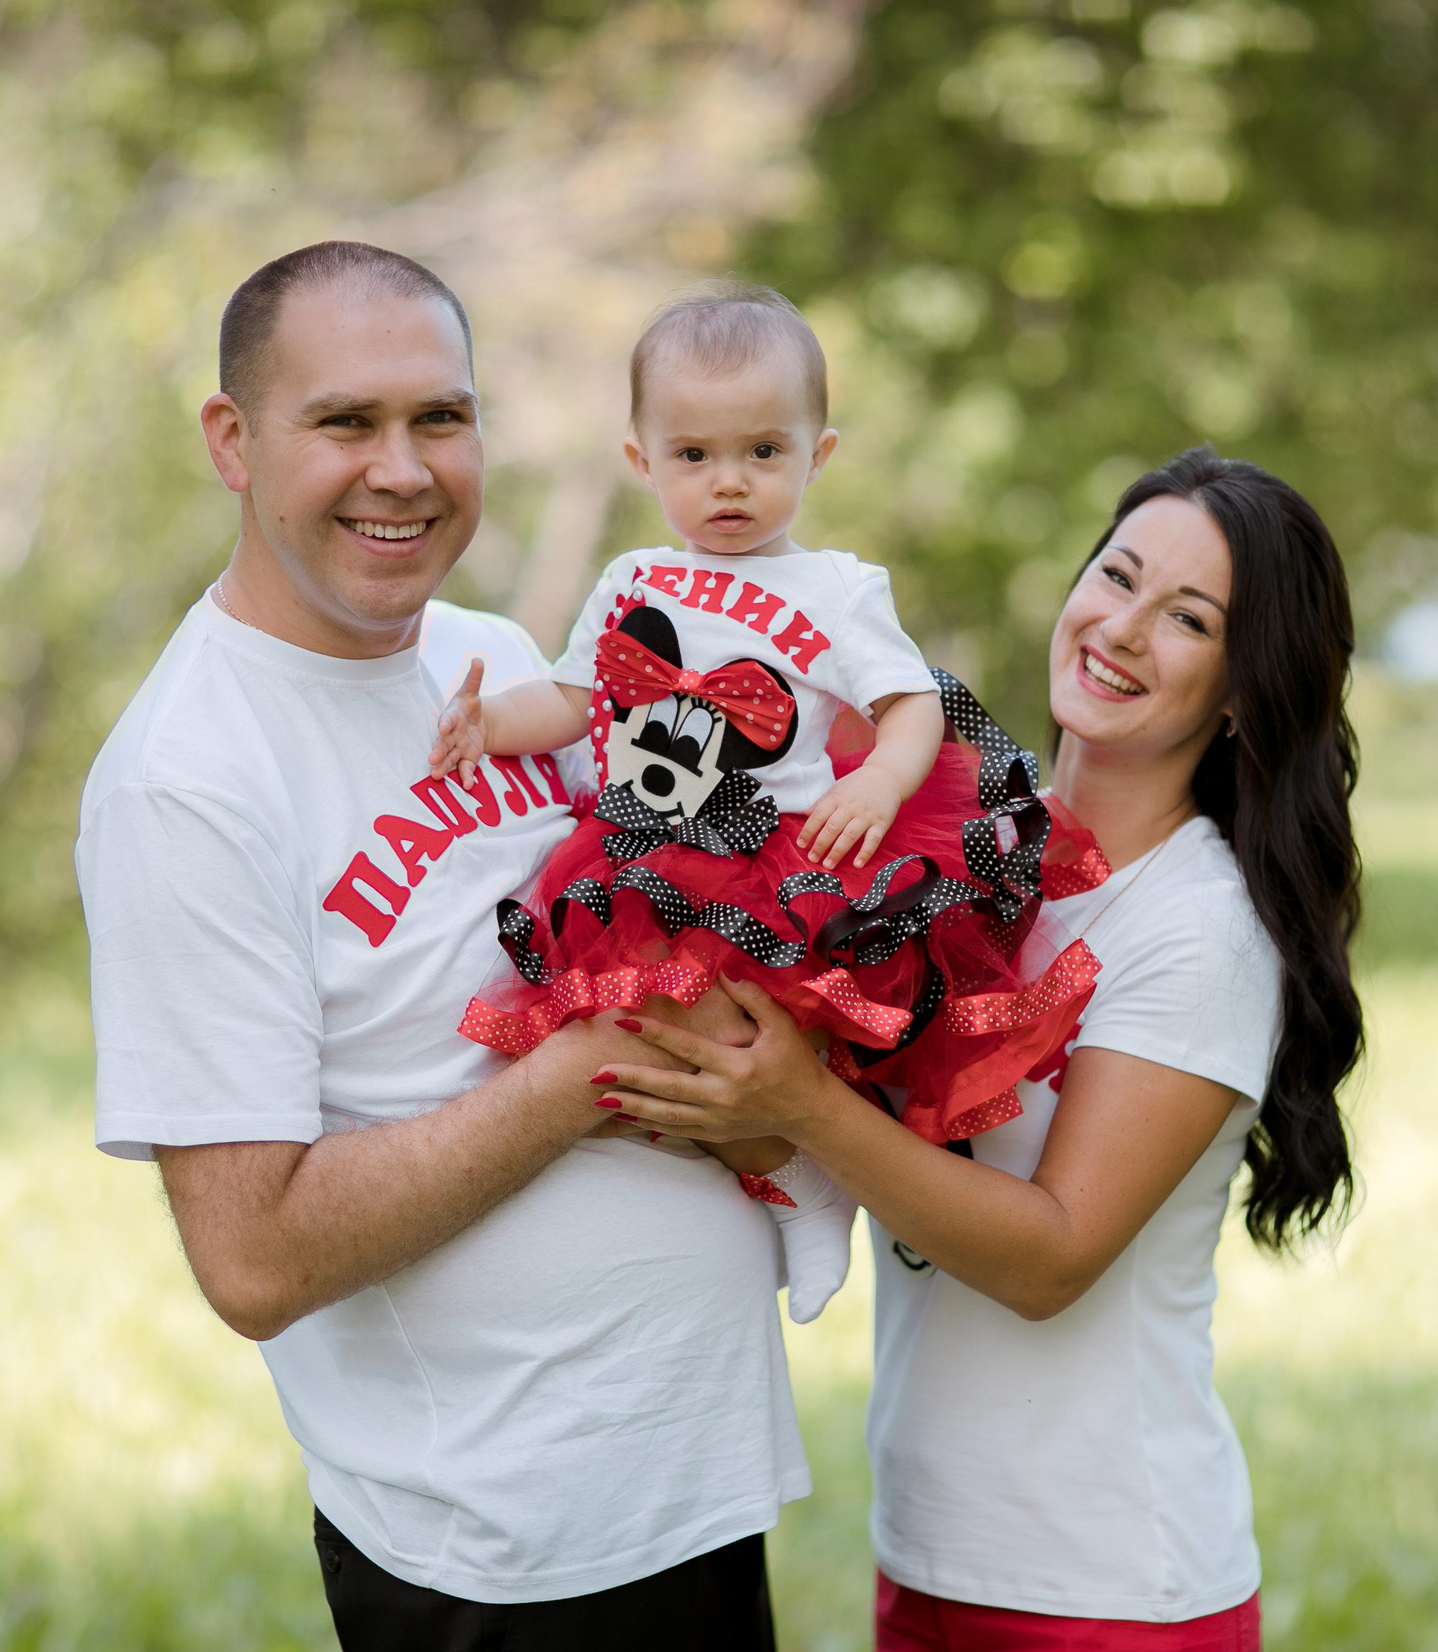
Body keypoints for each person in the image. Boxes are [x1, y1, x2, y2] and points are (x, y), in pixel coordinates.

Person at [73, 241, 807, 1652]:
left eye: (442, 419)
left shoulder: (486, 657)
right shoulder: (189, 777)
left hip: (682, 1491)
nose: (402, 470)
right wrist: (580, 1078)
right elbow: (254, 1254)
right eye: (346, 422)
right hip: (505, 1554)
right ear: (234, 440)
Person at [593, 449, 1366, 1652]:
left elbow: (1050, 1256)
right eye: (1115, 576)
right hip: (933, 1563)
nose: (1119, 628)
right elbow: (859, 1127)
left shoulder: (1196, 926)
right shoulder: (961, 860)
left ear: (1241, 690)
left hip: (1111, 1598)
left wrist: (797, 1104)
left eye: (1187, 620)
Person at [432, 283, 1103, 1321]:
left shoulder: (837, 588)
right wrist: (487, 728)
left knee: (734, 1036)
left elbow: (911, 706)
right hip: (642, 845)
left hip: (775, 853)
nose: (728, 482)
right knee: (645, 1034)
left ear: (816, 454)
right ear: (641, 460)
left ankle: (808, 1175)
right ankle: (772, 1171)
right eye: (693, 456)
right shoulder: (632, 576)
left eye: (763, 452)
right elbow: (572, 698)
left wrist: (880, 776)